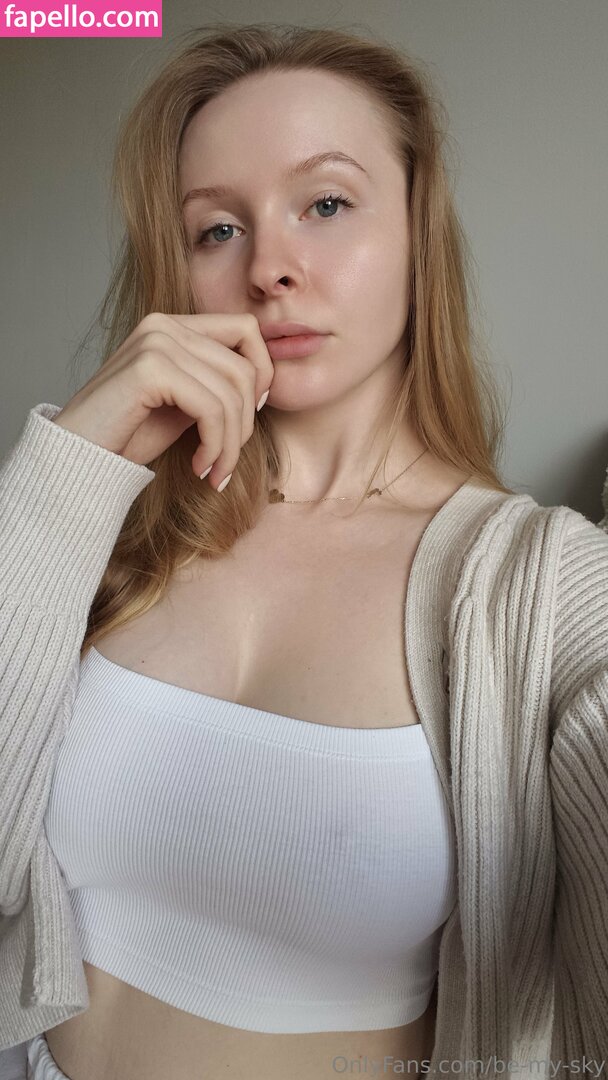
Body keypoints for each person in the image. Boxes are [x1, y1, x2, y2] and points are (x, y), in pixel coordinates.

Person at [1, 22, 607, 1080]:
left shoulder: (546, 587)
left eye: (324, 204)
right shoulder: (109, 522)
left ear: (418, 231)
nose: (269, 268)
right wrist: (63, 478)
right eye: (216, 229)